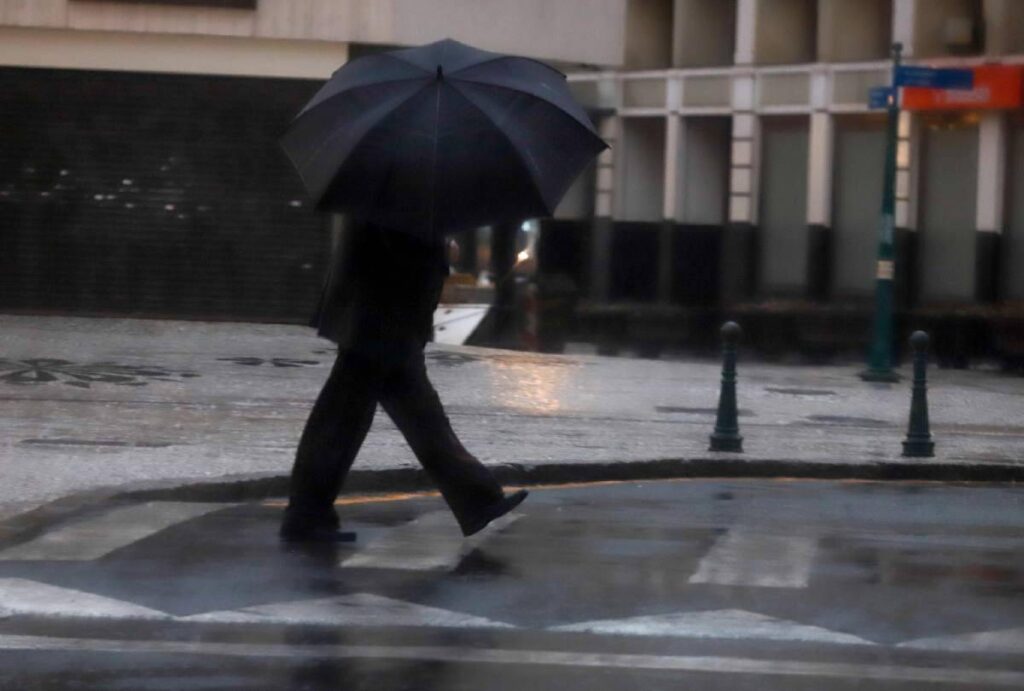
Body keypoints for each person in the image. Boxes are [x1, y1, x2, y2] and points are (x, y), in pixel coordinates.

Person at [280, 219, 527, 542]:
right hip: (380, 319)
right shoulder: (399, 206)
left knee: (406, 415)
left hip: (383, 319)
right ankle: (305, 516)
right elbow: (401, 255)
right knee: (347, 418)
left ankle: (477, 498)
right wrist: (439, 249)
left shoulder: (401, 202)